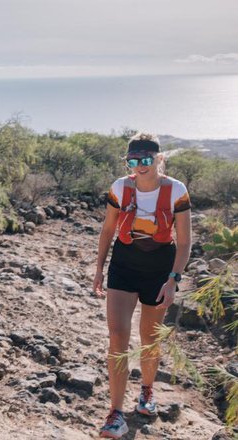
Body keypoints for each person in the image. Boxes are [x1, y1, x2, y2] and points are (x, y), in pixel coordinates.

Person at [93, 133, 192, 438]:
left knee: (149, 338)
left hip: (159, 269)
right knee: (117, 336)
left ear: (159, 160)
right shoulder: (120, 188)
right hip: (124, 265)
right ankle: (115, 412)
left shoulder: (176, 191)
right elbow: (108, 229)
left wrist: (174, 279)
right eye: (133, 161)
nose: (140, 166)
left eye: (146, 160)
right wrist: (99, 268)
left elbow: (185, 241)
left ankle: (147, 391)